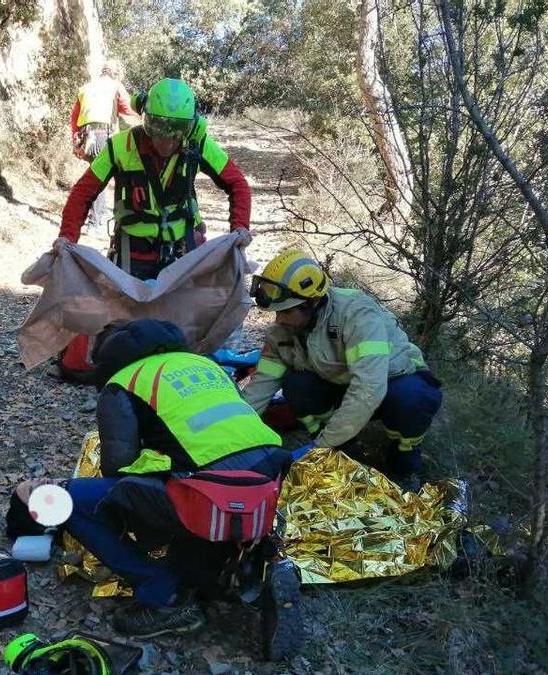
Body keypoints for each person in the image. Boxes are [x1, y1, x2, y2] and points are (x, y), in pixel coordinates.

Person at [63, 319, 292, 637]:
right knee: (194, 488)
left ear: (110, 359)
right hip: (269, 478)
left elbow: (118, 467)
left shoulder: (123, 382)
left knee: (70, 500)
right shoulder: (204, 363)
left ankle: (164, 598)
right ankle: (246, 563)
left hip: (208, 492)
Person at [240, 250, 443, 490]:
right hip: (341, 383)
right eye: (277, 312)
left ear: (312, 302)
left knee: (411, 398)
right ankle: (345, 449)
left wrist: (319, 448)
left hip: (391, 382)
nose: (279, 319)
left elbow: (369, 389)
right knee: (296, 385)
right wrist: (233, 429)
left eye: (286, 311)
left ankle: (403, 462)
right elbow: (261, 386)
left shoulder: (356, 315)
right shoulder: (283, 331)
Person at [53, 78, 252, 281]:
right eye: (157, 127)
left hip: (186, 250)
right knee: (130, 311)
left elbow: (237, 184)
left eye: (177, 130)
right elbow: (83, 193)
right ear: (145, 117)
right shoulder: (120, 147)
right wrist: (67, 237)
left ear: (192, 127)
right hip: (133, 252)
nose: (166, 141)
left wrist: (240, 228)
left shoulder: (198, 144)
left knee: (186, 312)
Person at [69, 61, 139, 232]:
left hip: (86, 137)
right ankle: (99, 222)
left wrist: (75, 140)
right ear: (116, 73)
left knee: (98, 175)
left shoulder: (85, 87)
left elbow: (74, 117)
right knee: (118, 176)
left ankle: (97, 218)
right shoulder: (115, 86)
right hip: (103, 134)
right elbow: (128, 109)